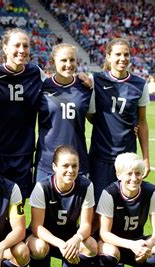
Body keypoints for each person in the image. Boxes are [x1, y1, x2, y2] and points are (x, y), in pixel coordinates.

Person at [0, 27, 48, 267]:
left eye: (26, 47)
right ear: (5, 48)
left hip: (22, 157)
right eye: (16, 46)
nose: (21, 51)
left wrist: (84, 80)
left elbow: (60, 84)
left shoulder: (36, 73)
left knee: (15, 212)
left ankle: (10, 264)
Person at [85, 38, 151, 267]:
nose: (122, 59)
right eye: (118, 55)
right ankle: (96, 266)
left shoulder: (139, 84)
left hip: (127, 162)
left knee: (122, 214)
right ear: (108, 56)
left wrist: (145, 158)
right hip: (101, 157)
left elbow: (142, 122)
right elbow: (92, 115)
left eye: (126, 55)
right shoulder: (96, 81)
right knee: (98, 215)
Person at [27, 145, 96, 267]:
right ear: (54, 166)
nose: (71, 170)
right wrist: (60, 244)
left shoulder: (86, 186)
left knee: (91, 245)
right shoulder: (42, 187)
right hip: (45, 238)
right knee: (38, 247)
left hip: (69, 236)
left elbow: (86, 225)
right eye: (65, 166)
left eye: (74, 166)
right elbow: (36, 227)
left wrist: (76, 239)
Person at [35, 43, 93, 181]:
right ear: (52, 62)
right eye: (63, 60)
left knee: (80, 203)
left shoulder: (86, 87)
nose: (69, 64)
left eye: (72, 60)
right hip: (47, 162)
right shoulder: (42, 86)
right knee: (41, 203)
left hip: (76, 162)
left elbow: (96, 118)